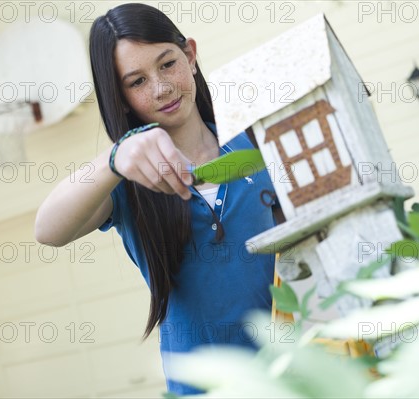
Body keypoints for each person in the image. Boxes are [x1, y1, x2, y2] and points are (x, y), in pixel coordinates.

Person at [34, 3, 278, 395]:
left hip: (296, 373)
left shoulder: (256, 143)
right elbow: (47, 229)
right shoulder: (125, 181)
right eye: (137, 82)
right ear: (122, 98)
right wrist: (116, 157)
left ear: (191, 56)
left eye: (167, 64)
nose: (161, 87)